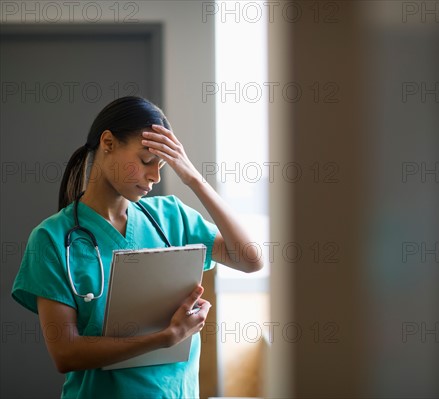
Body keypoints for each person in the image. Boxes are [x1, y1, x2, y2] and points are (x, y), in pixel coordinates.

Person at [11, 96, 263, 398]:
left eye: (163, 166)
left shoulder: (172, 217)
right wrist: (164, 338)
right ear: (108, 143)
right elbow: (66, 353)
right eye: (146, 162)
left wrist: (194, 179)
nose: (155, 177)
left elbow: (251, 260)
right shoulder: (52, 238)